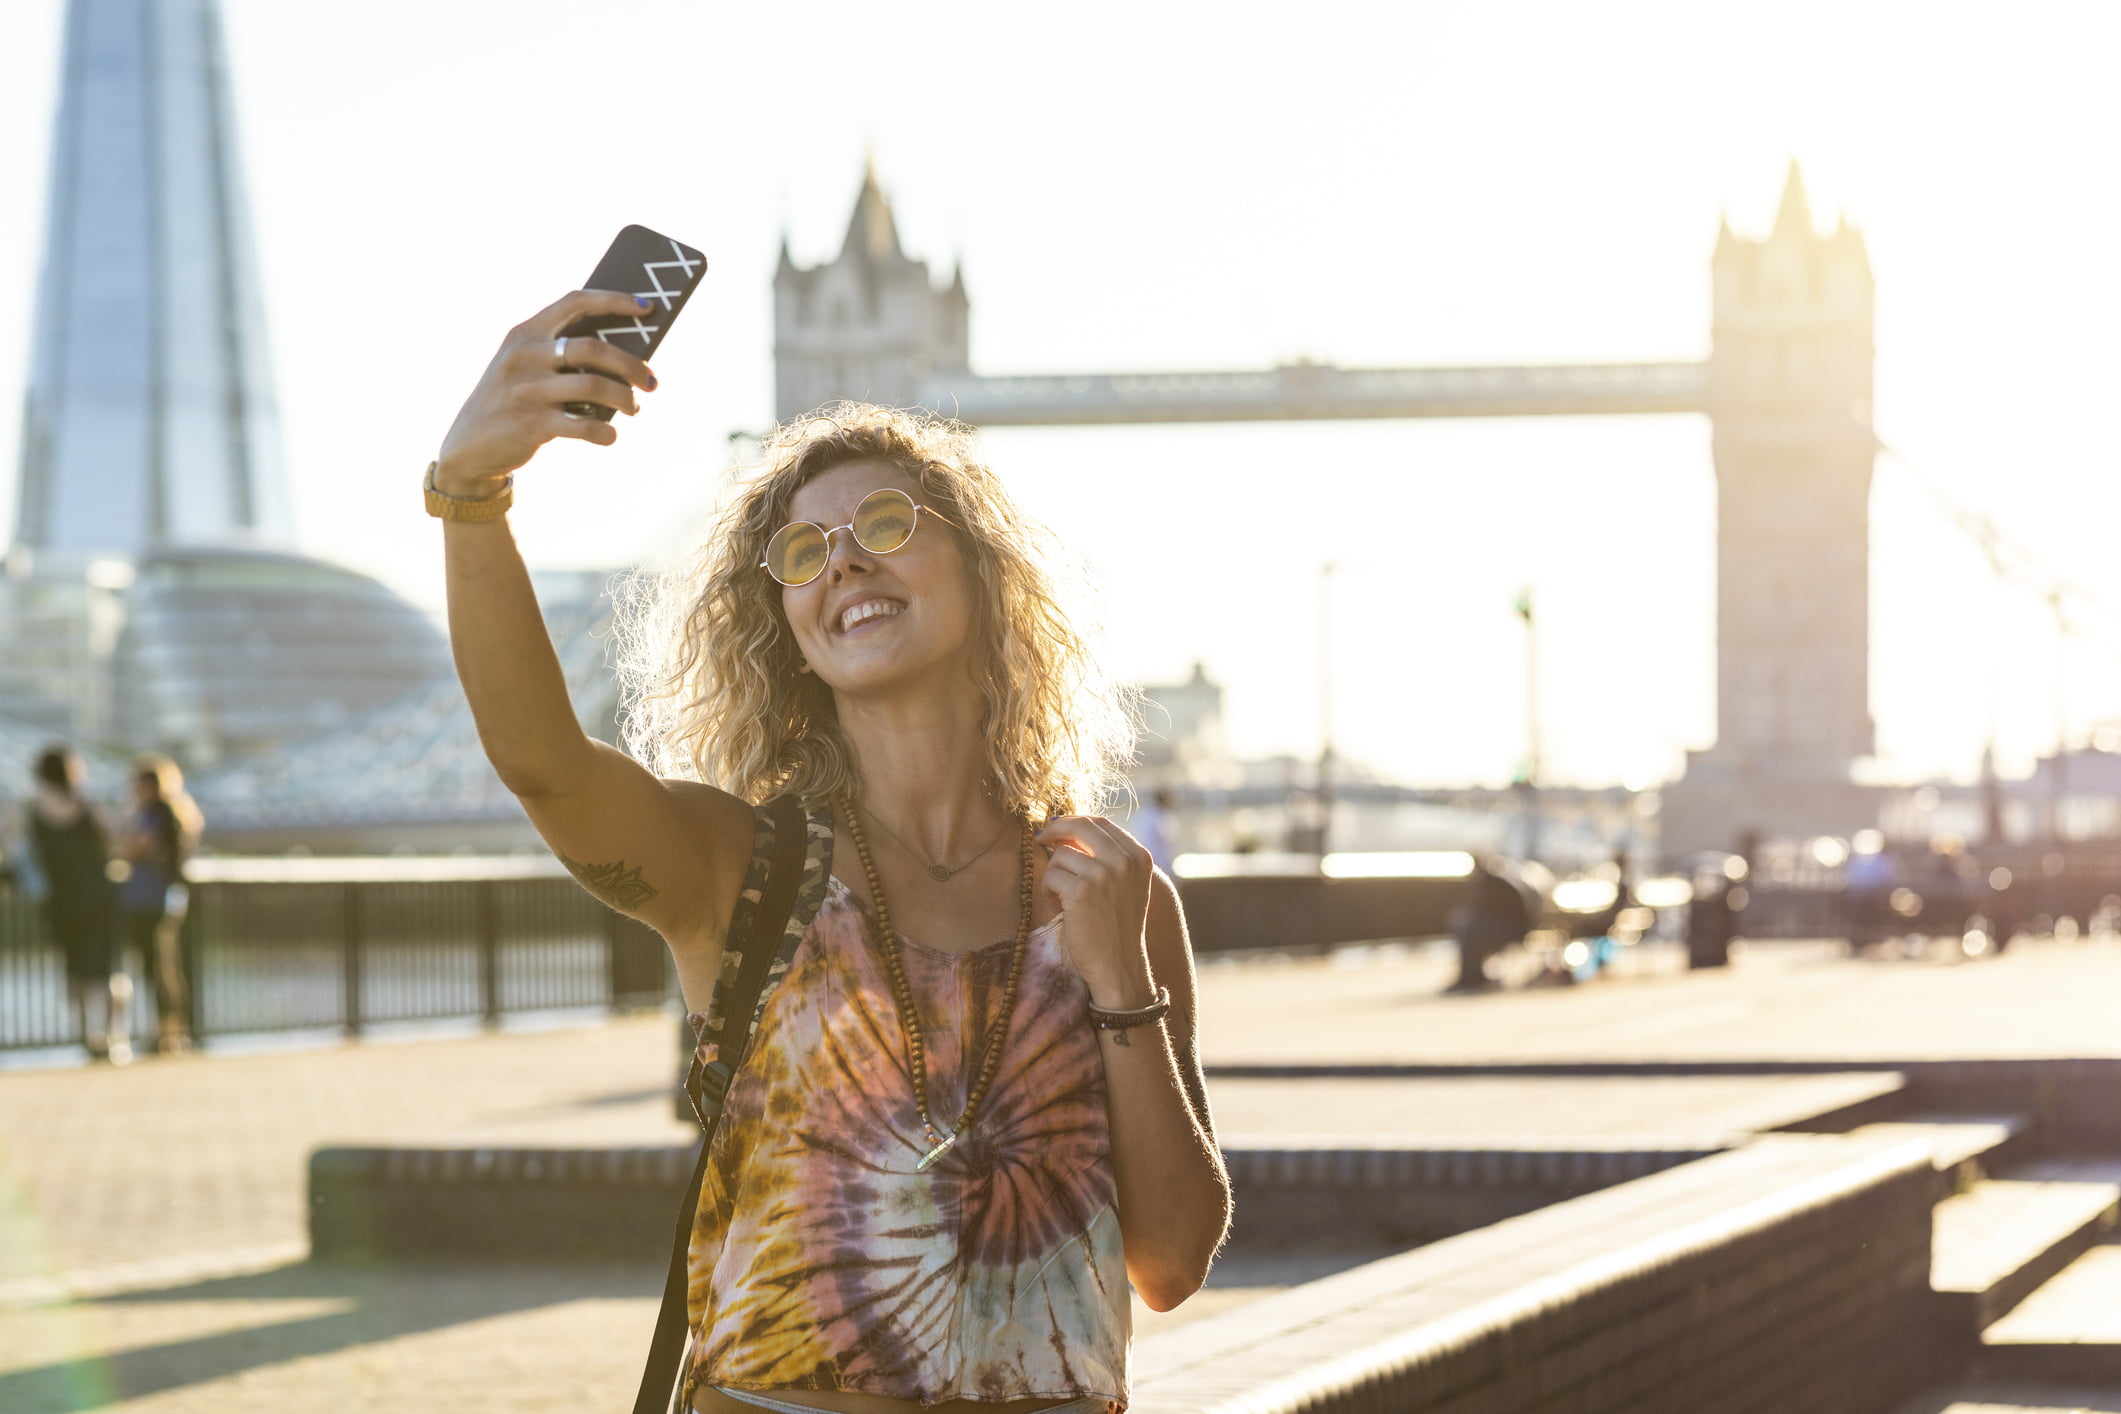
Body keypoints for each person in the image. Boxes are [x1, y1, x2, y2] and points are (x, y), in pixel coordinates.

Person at [431, 290, 1231, 1414]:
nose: (844, 563)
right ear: (787, 625)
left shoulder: (1109, 896)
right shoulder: (738, 868)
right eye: (805, 551)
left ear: (982, 573)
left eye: (888, 527)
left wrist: (1119, 986)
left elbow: (1172, 1260)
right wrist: (471, 497)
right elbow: (546, 764)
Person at [23, 746, 126, 1061]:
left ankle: (85, 1035)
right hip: (98, 897)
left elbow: (22, 852)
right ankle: (114, 1036)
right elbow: (114, 842)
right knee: (109, 969)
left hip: (61, 901)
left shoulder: (32, 811)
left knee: (75, 971)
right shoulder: (88, 806)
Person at [117, 755, 202, 1054]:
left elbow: (131, 848)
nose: (134, 791)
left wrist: (128, 834)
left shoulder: (157, 814)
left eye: (138, 785)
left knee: (157, 967)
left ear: (152, 786)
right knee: (163, 966)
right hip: (160, 898)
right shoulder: (173, 813)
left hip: (150, 899)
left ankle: (167, 1034)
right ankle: (173, 1031)